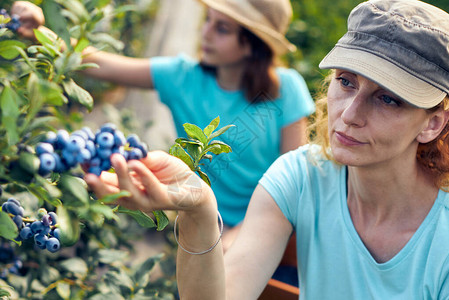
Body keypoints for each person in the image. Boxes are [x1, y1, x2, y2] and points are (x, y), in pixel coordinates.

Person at [86, 0, 449, 298]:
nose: (350, 115)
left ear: (433, 123)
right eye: (345, 81)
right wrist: (200, 211)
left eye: (387, 99)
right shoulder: (301, 176)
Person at [12, 0, 315, 251]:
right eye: (208, 20)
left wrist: (244, 236)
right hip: (204, 228)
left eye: (222, 28)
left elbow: (293, 184)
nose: (205, 33)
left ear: (253, 45)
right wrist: (38, 31)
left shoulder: (285, 89)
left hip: (271, 230)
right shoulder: (183, 78)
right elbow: (99, 63)